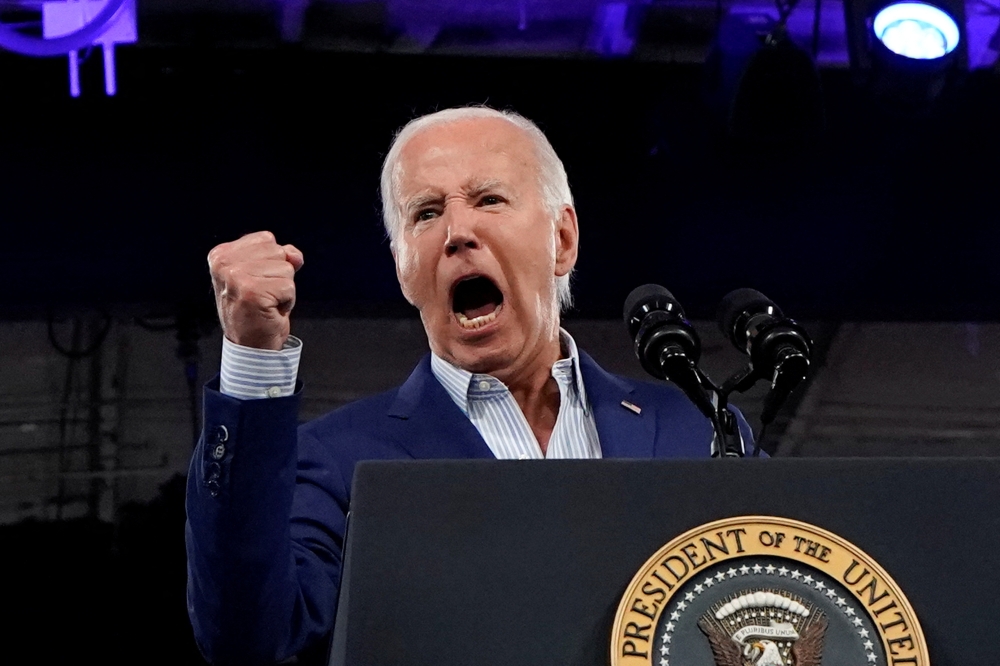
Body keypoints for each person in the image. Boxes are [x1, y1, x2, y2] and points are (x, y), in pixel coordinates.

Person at [185, 106, 750, 665]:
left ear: (563, 239)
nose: (457, 232)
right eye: (426, 213)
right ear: (404, 267)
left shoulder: (697, 428)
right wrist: (253, 359)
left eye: (489, 200)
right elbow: (247, 637)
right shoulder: (337, 460)